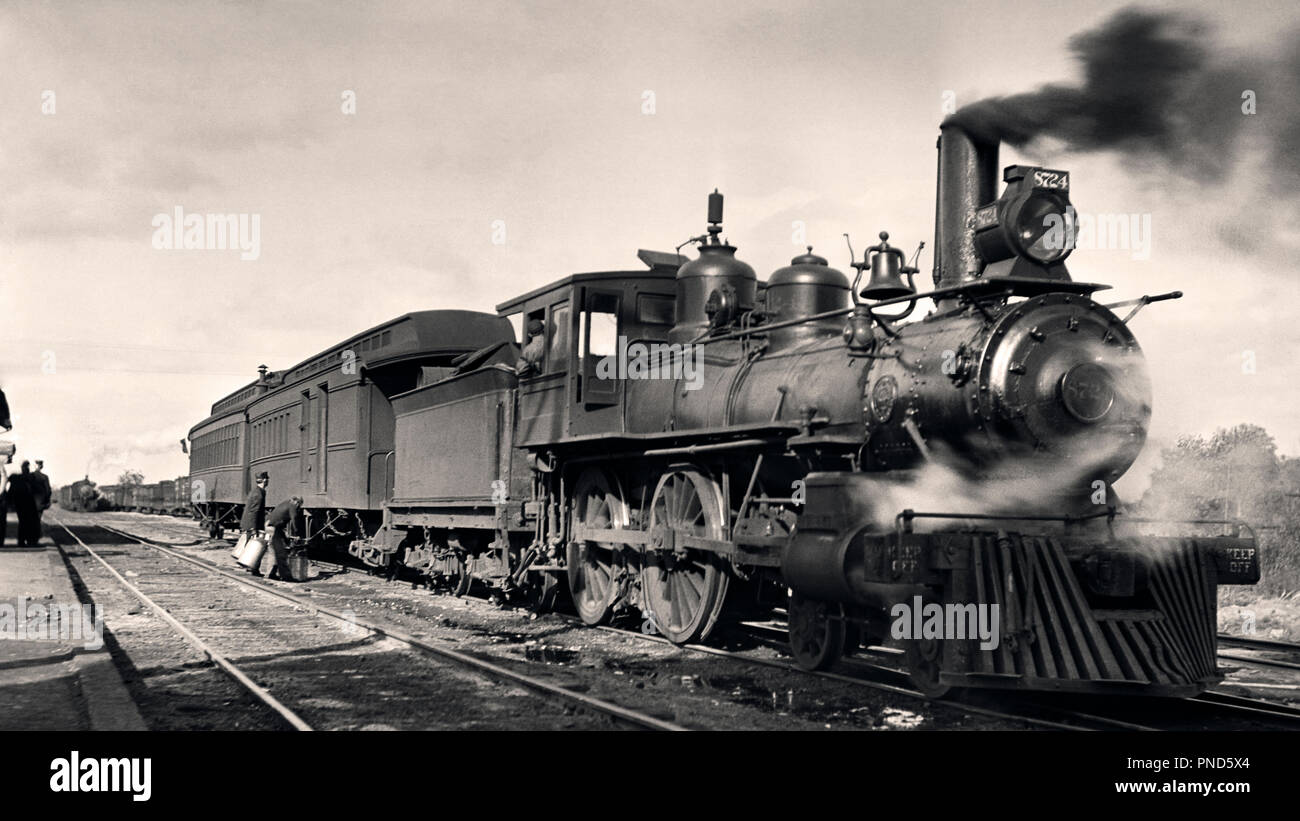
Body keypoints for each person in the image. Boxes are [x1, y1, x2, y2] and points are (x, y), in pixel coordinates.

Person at [259, 495, 302, 582]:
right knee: (278, 552)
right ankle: (281, 576)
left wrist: (285, 536)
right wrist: (297, 533)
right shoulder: (292, 505)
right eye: (299, 505)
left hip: (271, 526)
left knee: (276, 551)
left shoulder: (286, 502)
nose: (298, 507)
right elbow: (294, 519)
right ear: (297, 502)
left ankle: (273, 574)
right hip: (272, 528)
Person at [239, 472, 269, 574]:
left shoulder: (258, 491)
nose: (268, 481)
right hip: (253, 523)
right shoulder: (258, 494)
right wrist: (253, 528)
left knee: (251, 544)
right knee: (256, 545)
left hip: (252, 522)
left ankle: (251, 567)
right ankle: (253, 568)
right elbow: (254, 511)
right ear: (264, 480)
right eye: (267, 479)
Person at [8, 462, 38, 547]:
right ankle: (26, 541)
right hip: (24, 503)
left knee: (24, 522)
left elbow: (11, 490)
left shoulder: (18, 478)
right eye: (25, 467)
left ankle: (23, 541)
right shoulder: (27, 477)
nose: (26, 469)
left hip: (23, 503)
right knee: (26, 522)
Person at [32, 460, 51, 536]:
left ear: (35, 466)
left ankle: (29, 537)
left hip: (30, 503)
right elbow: (48, 491)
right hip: (40, 503)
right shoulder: (45, 477)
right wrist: (46, 501)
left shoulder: (30, 476)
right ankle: (35, 537)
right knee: (37, 520)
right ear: (41, 467)